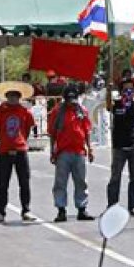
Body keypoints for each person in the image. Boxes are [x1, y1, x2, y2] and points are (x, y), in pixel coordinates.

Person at [0, 81, 36, 223]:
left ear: (20, 97)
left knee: (24, 182)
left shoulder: (25, 112)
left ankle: (26, 210)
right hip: (4, 151)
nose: (13, 98)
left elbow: (27, 131)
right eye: (10, 95)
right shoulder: (0, 111)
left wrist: (20, 142)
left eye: (16, 95)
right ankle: (0, 212)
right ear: (7, 96)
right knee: (3, 183)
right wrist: (4, 141)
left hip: (21, 150)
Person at [48, 83, 95, 222]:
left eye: (73, 99)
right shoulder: (57, 111)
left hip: (79, 151)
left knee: (81, 181)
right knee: (60, 183)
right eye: (69, 99)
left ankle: (82, 209)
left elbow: (86, 131)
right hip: (63, 152)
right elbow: (53, 133)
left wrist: (90, 148)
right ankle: (61, 209)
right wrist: (52, 151)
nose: (72, 102)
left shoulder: (82, 111)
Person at [105, 78, 134, 216]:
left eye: (131, 90)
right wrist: (108, 91)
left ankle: (133, 206)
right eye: (126, 90)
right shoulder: (117, 105)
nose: (128, 92)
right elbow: (108, 106)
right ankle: (112, 205)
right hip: (119, 146)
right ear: (121, 92)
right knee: (115, 177)